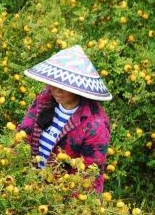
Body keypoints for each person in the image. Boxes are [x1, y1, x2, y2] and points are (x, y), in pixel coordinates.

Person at [17, 44, 112, 193]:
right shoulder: (45, 99)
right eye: (54, 83)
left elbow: (88, 176)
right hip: (35, 186)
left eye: (64, 86)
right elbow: (24, 133)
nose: (56, 90)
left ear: (79, 88)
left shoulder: (95, 125)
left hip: (67, 197)